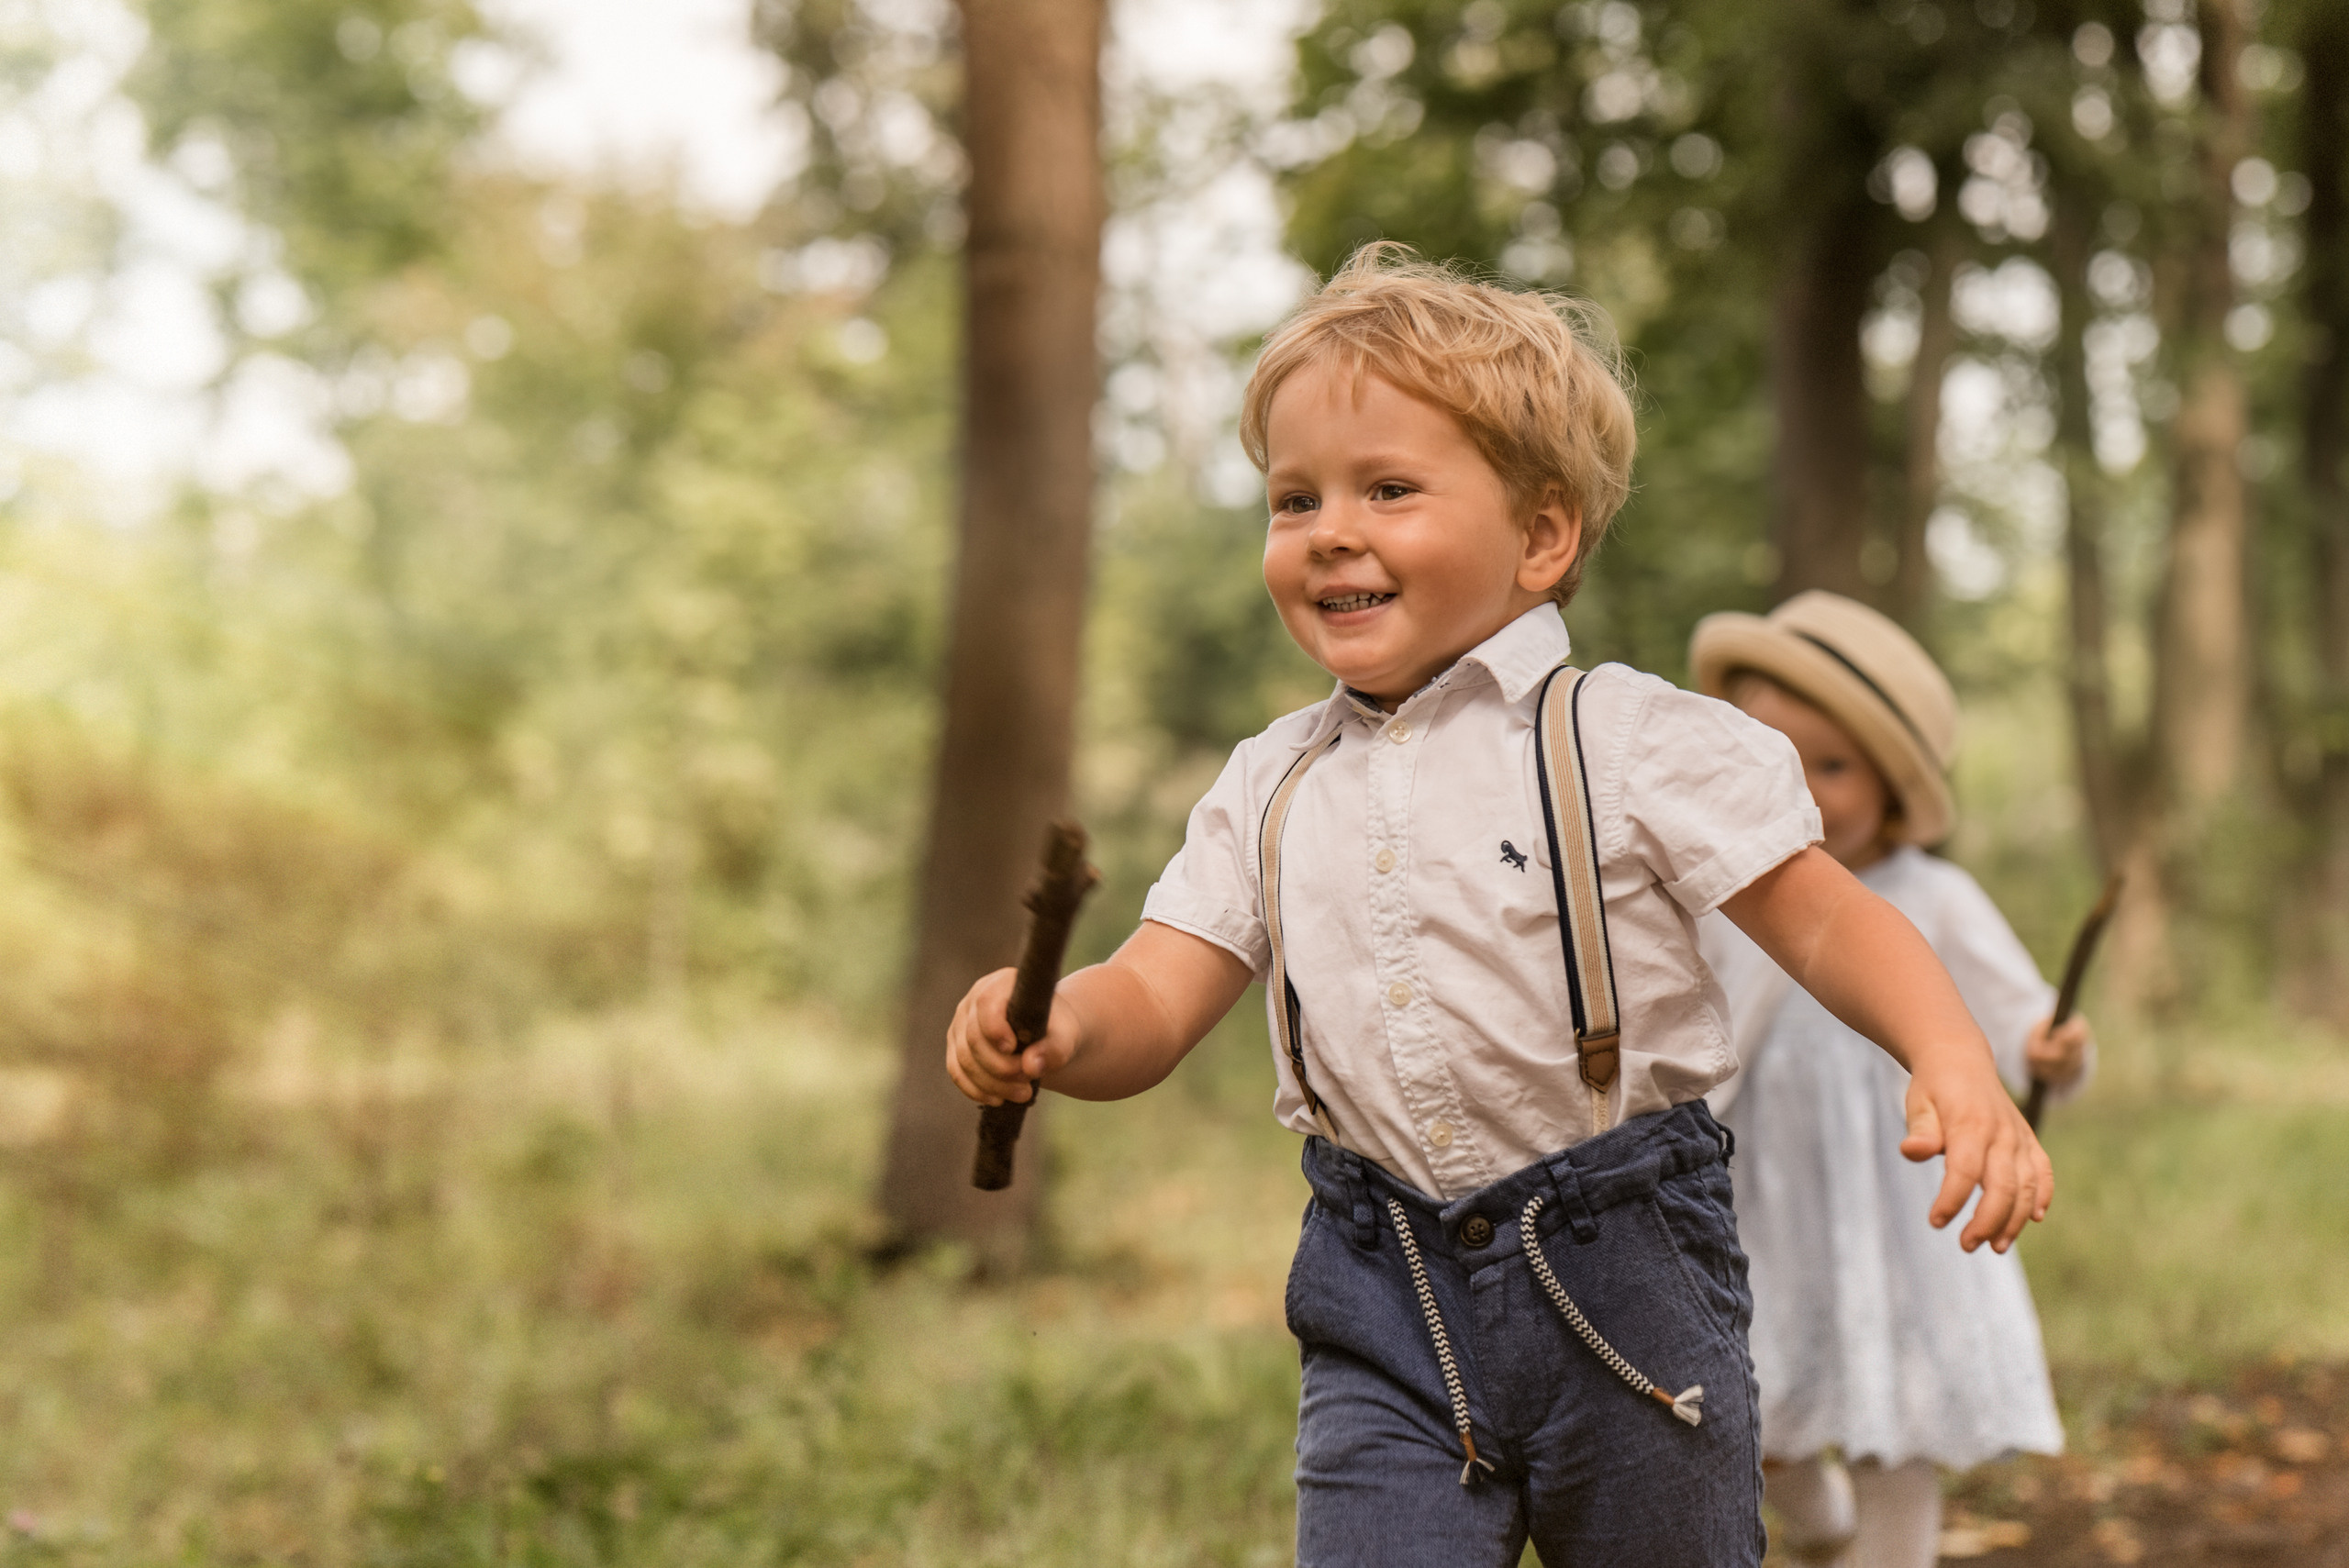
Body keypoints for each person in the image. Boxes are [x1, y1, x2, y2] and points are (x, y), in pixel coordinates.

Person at [943, 246, 2053, 1568]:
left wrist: (1950, 1056)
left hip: (1628, 1270)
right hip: (1381, 1288)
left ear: (1540, 535)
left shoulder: (1629, 741)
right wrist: (1059, 1027)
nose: (1329, 529)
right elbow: (1157, 991)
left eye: (1389, 489)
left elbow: (1822, 917)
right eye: (1293, 499)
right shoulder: (1272, 785)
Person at [1687, 592, 2094, 1568]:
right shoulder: (1727, 896)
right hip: (1765, 1202)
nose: (1804, 788)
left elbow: (2015, 1009)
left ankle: (1887, 1549)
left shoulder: (1934, 897)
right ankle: (1821, 1523)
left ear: (1892, 781)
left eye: (1831, 765)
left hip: (1898, 1206)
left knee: (1895, 1411)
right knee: (1756, 1401)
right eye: (1775, 759)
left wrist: (2048, 1046)